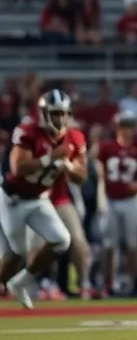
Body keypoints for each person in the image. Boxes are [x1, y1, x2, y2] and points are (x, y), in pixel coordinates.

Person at [0, 90, 87, 309]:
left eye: (62, 113)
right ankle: (8, 281)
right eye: (54, 113)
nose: (59, 118)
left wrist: (67, 164)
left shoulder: (74, 137)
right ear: (43, 113)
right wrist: (51, 158)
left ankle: (21, 283)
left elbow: (81, 177)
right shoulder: (28, 131)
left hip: (39, 198)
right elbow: (17, 168)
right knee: (16, 254)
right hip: (14, 199)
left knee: (62, 240)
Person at [97, 111, 137, 295]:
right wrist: (102, 199)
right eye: (124, 126)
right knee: (109, 245)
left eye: (130, 126)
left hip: (131, 200)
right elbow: (101, 176)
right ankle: (108, 283)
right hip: (111, 199)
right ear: (117, 128)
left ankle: (134, 283)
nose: (128, 130)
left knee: (132, 245)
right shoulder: (106, 148)